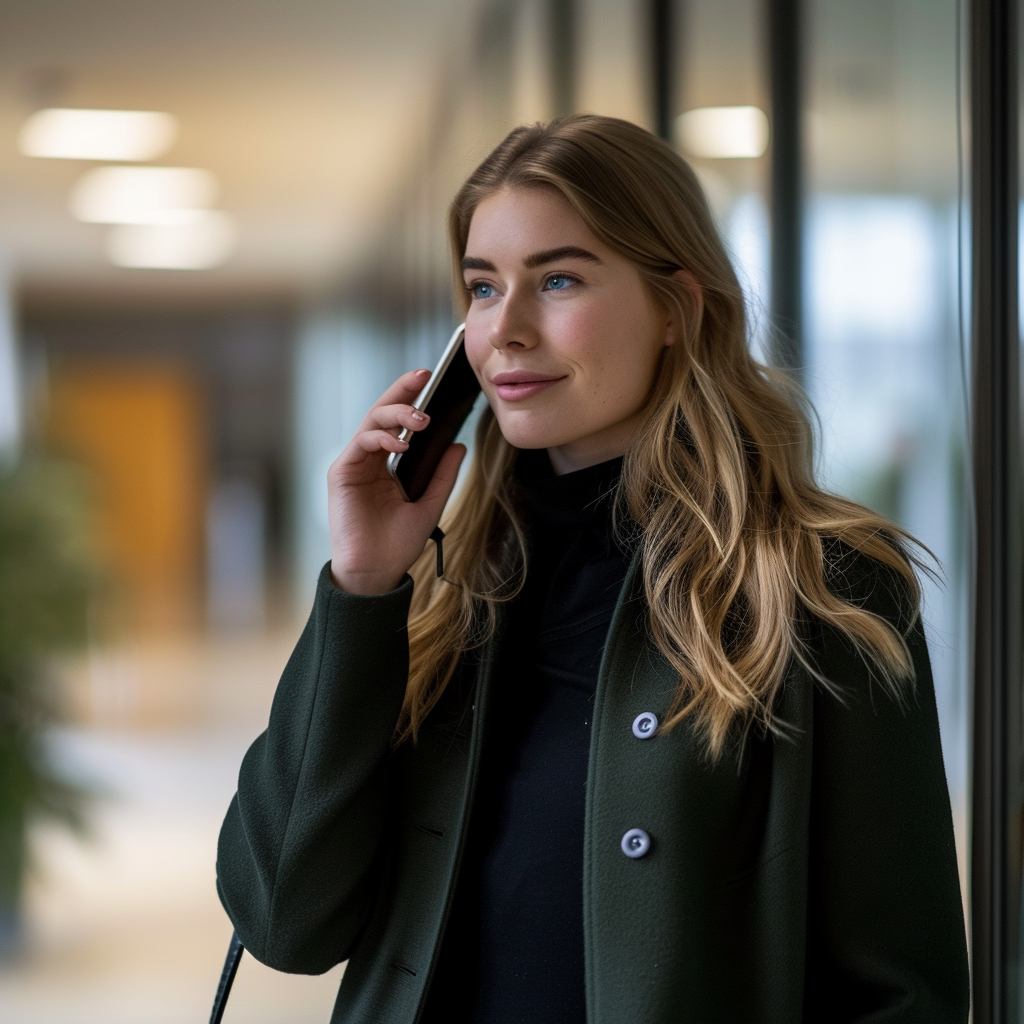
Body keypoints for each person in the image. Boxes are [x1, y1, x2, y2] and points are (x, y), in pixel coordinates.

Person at [216, 114, 970, 1023]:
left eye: (559, 278)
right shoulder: (448, 594)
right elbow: (282, 920)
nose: (508, 332)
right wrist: (364, 587)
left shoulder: (821, 586)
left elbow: (901, 992)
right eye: (484, 288)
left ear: (677, 309)